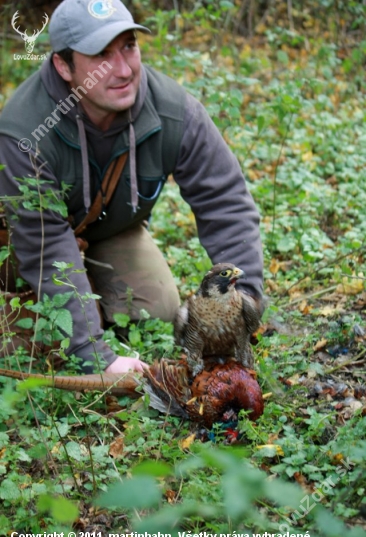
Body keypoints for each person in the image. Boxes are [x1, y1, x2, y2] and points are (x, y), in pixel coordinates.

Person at [0, 0, 264, 375]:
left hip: (107, 229)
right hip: (20, 242)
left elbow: (225, 201)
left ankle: (81, 302)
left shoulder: (172, 110)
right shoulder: (26, 131)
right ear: (63, 66)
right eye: (101, 55)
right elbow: (44, 248)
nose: (123, 69)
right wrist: (94, 355)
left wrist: (247, 299)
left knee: (155, 309)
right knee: (27, 342)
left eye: (129, 46)